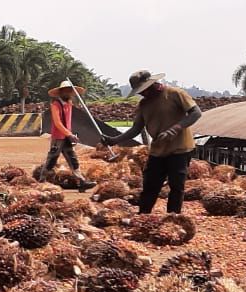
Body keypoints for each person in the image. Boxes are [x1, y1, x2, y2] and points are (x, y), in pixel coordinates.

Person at [102, 71, 203, 214]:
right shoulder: (144, 104)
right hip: (158, 151)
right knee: (150, 186)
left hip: (179, 149)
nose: (142, 94)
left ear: (152, 85)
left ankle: (172, 219)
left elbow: (196, 113)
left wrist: (175, 129)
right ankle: (143, 215)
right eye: (140, 92)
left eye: (143, 91)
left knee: (176, 186)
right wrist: (115, 140)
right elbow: (136, 128)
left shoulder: (174, 94)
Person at [39, 79, 92, 190]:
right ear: (61, 92)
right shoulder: (55, 105)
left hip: (67, 137)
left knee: (73, 159)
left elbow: (68, 121)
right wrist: (68, 133)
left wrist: (70, 134)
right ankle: (41, 181)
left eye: (69, 91)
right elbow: (57, 123)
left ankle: (81, 182)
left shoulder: (69, 104)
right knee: (52, 159)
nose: (68, 93)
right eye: (65, 91)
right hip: (58, 138)